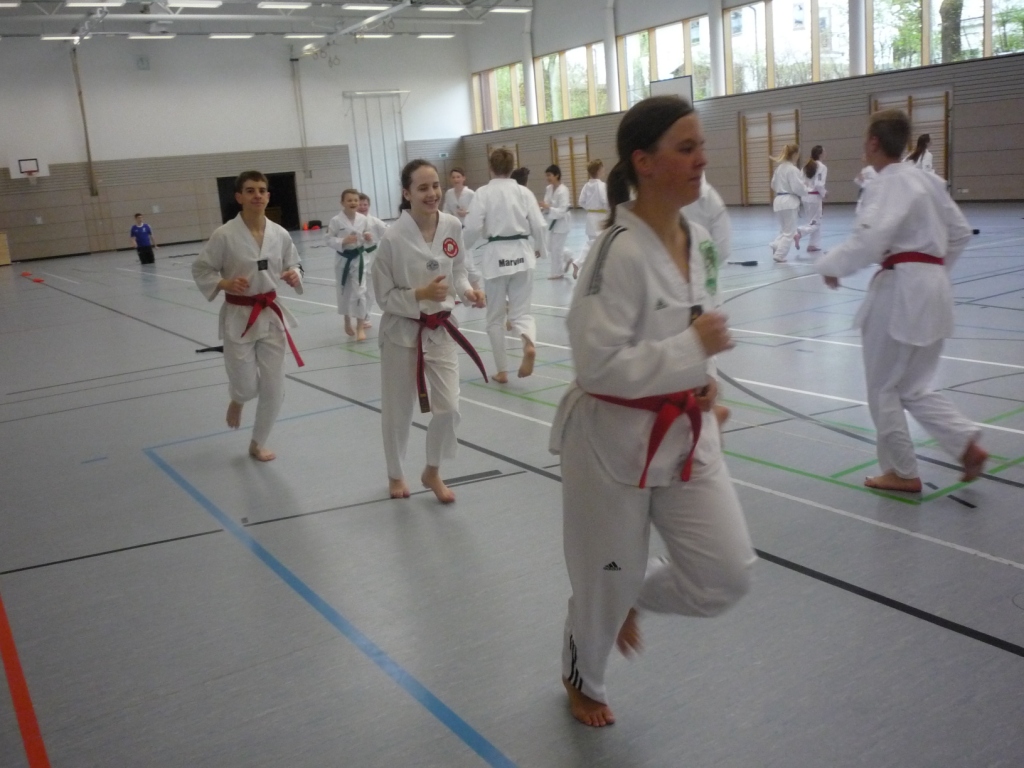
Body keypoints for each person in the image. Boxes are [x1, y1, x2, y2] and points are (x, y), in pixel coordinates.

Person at [549, 96, 756, 728]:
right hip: (611, 443)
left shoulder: (697, 240)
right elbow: (596, 365)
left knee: (725, 574)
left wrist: (706, 383)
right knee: (606, 572)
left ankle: (624, 593)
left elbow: (698, 325)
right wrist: (692, 351)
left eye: (701, 146)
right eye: (686, 148)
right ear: (643, 161)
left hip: (686, 432)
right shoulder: (615, 252)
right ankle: (583, 672)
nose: (701, 160)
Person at [814, 109, 987, 492]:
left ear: (874, 142)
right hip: (933, 289)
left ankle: (902, 471)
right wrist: (932, 271)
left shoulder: (887, 182)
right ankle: (966, 445)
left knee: (884, 389)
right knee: (913, 387)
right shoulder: (927, 181)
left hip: (901, 292)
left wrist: (830, 265)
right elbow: (960, 232)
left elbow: (869, 240)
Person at [371, 159, 487, 503]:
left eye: (435, 185)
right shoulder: (392, 238)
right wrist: (420, 294)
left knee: (448, 407)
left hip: (440, 329)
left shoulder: (451, 225)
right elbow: (383, 296)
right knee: (398, 410)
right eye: (422, 188)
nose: (432, 193)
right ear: (407, 193)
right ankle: (395, 473)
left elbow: (459, 269)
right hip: (401, 332)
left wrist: (467, 290)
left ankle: (432, 470)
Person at [192, 170, 304, 462]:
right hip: (239, 316)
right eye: (251, 190)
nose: (257, 195)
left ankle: (257, 442)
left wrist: (295, 274)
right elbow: (201, 268)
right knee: (246, 386)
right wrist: (224, 283)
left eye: (262, 190)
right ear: (239, 197)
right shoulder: (224, 235)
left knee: (274, 387)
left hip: (271, 314)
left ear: (268, 196)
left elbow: (295, 263)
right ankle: (238, 398)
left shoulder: (279, 234)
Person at [463, 148, 548, 384]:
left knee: (495, 318)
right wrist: (540, 248)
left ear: (490, 167)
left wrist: (462, 249)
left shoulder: (483, 193)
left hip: (496, 258)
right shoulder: (524, 192)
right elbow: (539, 225)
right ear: (512, 168)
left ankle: (502, 371)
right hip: (522, 254)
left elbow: (472, 227)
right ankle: (528, 344)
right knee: (522, 312)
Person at [326, 189, 374, 342]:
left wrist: (368, 237)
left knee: (360, 292)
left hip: (359, 258)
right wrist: (343, 241)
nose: (353, 203)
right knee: (344, 292)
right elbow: (328, 239)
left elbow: (368, 235)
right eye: (349, 200)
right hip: (343, 259)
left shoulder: (363, 219)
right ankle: (347, 320)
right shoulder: (336, 220)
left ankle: (360, 326)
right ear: (342, 203)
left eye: (356, 200)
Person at [571, 159, 608, 279]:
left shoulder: (587, 186)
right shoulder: (601, 186)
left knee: (593, 242)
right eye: (602, 168)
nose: (604, 170)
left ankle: (590, 267)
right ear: (598, 170)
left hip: (590, 216)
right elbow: (604, 201)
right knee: (597, 242)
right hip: (600, 217)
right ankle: (579, 263)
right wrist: (609, 210)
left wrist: (590, 208)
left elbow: (581, 201)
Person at [769, 144, 804, 263]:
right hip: (789, 201)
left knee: (784, 230)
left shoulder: (779, 168)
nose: (798, 156)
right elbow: (797, 187)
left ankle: (776, 244)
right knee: (790, 232)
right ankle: (779, 254)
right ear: (794, 154)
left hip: (778, 200)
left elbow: (773, 185)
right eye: (798, 154)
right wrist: (805, 190)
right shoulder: (793, 169)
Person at [358, 192, 389, 328]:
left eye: (365, 204)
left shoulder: (375, 222)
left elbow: (389, 233)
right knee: (357, 290)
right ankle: (357, 315)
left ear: (369, 206)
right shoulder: (351, 223)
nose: (362, 207)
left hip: (371, 258)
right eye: (360, 204)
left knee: (369, 290)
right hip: (355, 258)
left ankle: (366, 316)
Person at [540, 164, 572, 279]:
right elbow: (546, 203)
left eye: (549, 175)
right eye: (547, 175)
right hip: (553, 220)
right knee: (550, 246)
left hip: (562, 221)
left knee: (556, 248)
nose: (547, 178)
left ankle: (558, 272)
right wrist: (541, 208)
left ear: (557, 175)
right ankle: (568, 256)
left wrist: (548, 208)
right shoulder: (549, 188)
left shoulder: (563, 190)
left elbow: (562, 210)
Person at [797, 145, 827, 253]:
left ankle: (813, 245)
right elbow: (819, 184)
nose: (825, 153)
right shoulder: (822, 167)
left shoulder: (806, 166)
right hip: (814, 196)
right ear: (820, 154)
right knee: (816, 223)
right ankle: (799, 233)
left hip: (805, 197)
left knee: (812, 221)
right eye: (824, 151)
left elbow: (800, 182)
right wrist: (824, 194)